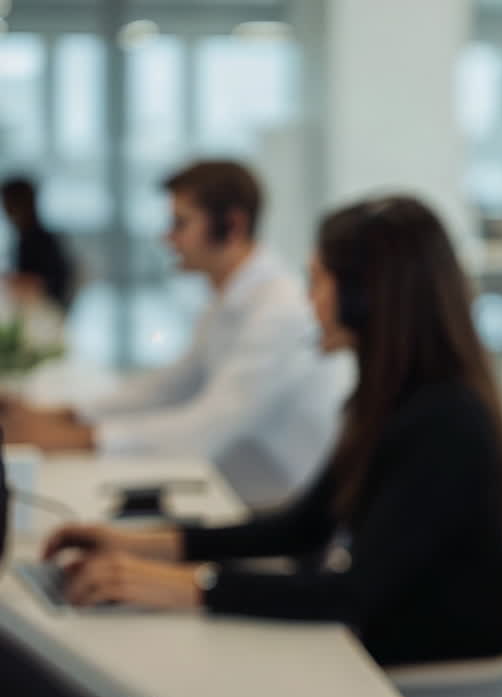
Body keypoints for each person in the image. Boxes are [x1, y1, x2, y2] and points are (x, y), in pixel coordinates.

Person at [40, 196, 502, 666]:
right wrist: (135, 545)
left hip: (423, 668)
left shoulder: (445, 421)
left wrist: (173, 584)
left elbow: (352, 593)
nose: (307, 301)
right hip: (377, 637)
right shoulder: (389, 401)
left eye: (316, 281)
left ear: (365, 298)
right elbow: (301, 529)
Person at [0, 161, 347, 507]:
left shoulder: (278, 310)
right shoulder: (229, 298)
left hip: (277, 510)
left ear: (233, 225)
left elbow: (207, 429)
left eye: (180, 223)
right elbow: (170, 386)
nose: (167, 238)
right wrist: (63, 414)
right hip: (235, 492)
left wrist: (71, 437)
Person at [1, 176, 74, 311]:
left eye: (7, 203)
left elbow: (39, 284)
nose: (5, 209)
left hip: (46, 310)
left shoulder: (38, 240)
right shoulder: (28, 237)